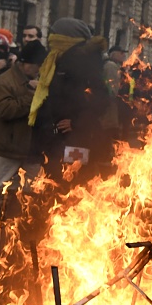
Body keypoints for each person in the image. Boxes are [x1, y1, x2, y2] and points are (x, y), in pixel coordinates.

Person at [29, 17, 109, 188]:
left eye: (55, 36)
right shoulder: (57, 59)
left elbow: (101, 99)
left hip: (74, 139)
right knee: (55, 182)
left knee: (72, 184)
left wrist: (78, 123)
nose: (51, 40)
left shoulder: (83, 62)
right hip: (55, 136)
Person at [0, 40, 47, 189]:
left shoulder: (31, 79)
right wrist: (32, 95)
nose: (39, 70)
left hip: (27, 149)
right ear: (27, 63)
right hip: (6, 150)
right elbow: (4, 110)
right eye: (38, 66)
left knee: (25, 192)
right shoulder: (5, 82)